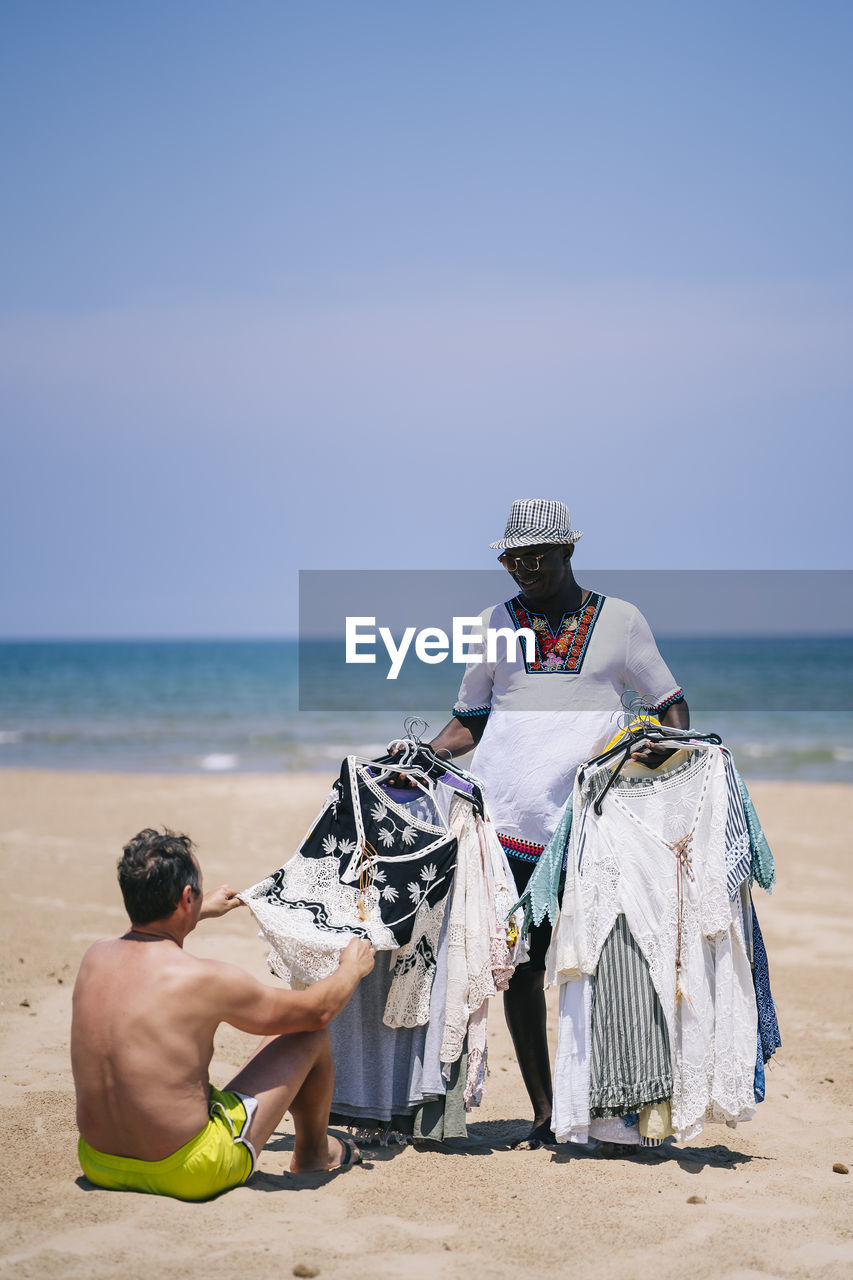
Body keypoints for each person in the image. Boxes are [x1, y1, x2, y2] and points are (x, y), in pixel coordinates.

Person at [424, 499, 688, 1148]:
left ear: (568, 552)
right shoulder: (493, 625)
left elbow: (670, 708)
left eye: (532, 557)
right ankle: (545, 1113)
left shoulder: (620, 622)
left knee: (605, 962)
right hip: (508, 827)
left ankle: (611, 1104)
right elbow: (471, 718)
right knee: (521, 969)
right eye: (510, 558)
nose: (519, 569)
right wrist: (421, 758)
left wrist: (659, 762)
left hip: (591, 830)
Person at [72, 827, 375, 1200]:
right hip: (188, 1168)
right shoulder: (204, 979)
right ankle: (314, 1152)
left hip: (100, 1162)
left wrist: (196, 914)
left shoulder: (95, 958)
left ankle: (311, 1149)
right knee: (305, 1033)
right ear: (186, 898)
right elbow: (319, 1010)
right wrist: (351, 968)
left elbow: (144, 940)